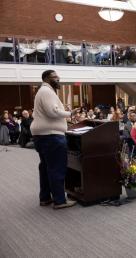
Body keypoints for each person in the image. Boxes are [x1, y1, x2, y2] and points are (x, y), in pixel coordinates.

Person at [31, 70, 78, 209]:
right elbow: (53, 112)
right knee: (56, 168)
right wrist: (70, 113)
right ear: (47, 79)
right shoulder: (46, 91)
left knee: (46, 168)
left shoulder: (43, 91)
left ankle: (45, 198)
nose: (58, 79)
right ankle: (59, 200)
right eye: (55, 77)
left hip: (44, 135)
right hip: (51, 136)